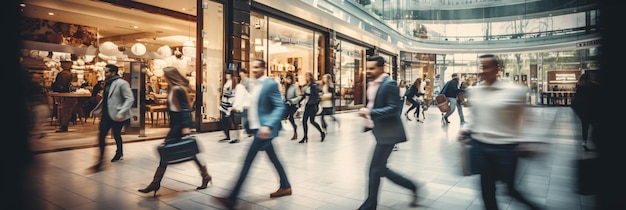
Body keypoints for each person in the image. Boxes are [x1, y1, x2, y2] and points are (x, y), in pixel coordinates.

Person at [457, 54, 542, 210]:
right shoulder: (475, 91)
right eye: (481, 67)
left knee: (511, 191)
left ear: (498, 69)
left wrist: (528, 140)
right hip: (481, 148)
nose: (483, 71)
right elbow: (475, 116)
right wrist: (465, 129)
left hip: (507, 148)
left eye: (487, 67)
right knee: (487, 192)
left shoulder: (514, 91)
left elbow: (528, 119)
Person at [213, 59, 292, 209]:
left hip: (264, 130)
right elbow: (254, 107)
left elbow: (279, 107)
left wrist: (268, 126)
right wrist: (249, 127)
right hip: (257, 130)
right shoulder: (255, 85)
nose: (254, 70)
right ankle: (286, 186)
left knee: (247, 162)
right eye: (252, 67)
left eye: (257, 67)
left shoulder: (270, 83)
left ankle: (232, 197)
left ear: (264, 68)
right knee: (274, 159)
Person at [357, 56, 420, 210]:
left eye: (372, 68)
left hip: (389, 133)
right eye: (368, 68)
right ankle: (412, 186)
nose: (369, 71)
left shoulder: (389, 84)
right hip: (380, 132)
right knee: (380, 169)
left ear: (382, 68)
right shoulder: (372, 83)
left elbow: (393, 109)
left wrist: (370, 112)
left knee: (374, 169)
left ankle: (370, 205)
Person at [138, 66, 212, 195]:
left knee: (168, 151)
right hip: (175, 125)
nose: (163, 77)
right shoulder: (172, 88)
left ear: (170, 76)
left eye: (165, 75)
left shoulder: (178, 89)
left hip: (179, 125)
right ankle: (205, 176)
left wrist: (185, 126)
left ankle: (155, 183)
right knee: (188, 151)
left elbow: (185, 108)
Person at [90, 64, 134, 171]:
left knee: (116, 134)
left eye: (107, 72)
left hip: (117, 114)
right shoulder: (107, 84)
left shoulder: (122, 83)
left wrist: (121, 112)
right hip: (106, 115)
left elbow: (130, 99)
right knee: (101, 136)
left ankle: (119, 152)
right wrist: (97, 110)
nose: (105, 74)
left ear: (113, 72)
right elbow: (106, 99)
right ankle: (100, 161)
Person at [571, 73, 600, 151]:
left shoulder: (579, 86)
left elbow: (577, 99)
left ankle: (584, 142)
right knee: (595, 126)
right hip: (593, 110)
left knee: (585, 127)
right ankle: (595, 140)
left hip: (583, 111)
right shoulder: (595, 86)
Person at [298, 72, 325, 143]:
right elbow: (305, 95)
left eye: (307, 76)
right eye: (305, 76)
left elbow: (316, 96)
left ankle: (322, 133)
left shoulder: (313, 85)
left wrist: (315, 104)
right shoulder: (307, 85)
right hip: (307, 104)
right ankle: (305, 136)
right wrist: (299, 101)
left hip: (312, 105)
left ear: (311, 77)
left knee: (312, 121)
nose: (306, 77)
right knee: (304, 121)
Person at [53, 60, 77, 132]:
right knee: (66, 110)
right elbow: (65, 85)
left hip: (64, 94)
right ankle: (63, 126)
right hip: (67, 94)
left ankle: (63, 125)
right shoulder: (66, 74)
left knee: (65, 110)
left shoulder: (63, 73)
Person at [229, 75, 250, 144]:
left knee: (238, 123)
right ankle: (237, 137)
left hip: (243, 107)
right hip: (243, 107)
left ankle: (237, 137)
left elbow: (239, 98)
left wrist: (235, 107)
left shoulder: (239, 88)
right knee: (238, 123)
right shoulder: (238, 88)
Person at [283, 73, 302, 140]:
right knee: (290, 118)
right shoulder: (286, 86)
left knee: (290, 116)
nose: (287, 80)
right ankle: (295, 130)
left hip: (293, 105)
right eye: (287, 78)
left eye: (289, 79)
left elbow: (299, 97)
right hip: (287, 104)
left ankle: (295, 130)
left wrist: (291, 101)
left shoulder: (295, 86)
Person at [218, 71, 235, 142]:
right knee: (225, 121)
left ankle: (230, 136)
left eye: (228, 74)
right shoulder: (228, 82)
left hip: (228, 106)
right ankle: (227, 135)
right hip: (225, 105)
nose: (226, 75)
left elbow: (230, 94)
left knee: (228, 121)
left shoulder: (231, 83)